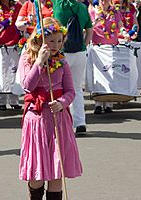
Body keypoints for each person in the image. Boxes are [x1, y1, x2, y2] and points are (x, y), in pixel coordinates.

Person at [18, 17, 82, 199]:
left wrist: (62, 102)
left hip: (58, 120)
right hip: (36, 120)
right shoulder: (27, 59)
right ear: (40, 40)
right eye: (51, 40)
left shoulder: (63, 62)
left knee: (56, 172)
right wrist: (39, 62)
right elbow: (27, 86)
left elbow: (71, 91)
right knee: (38, 173)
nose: (56, 45)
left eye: (59, 41)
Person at [53, 0, 93, 134]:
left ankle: (63, 123)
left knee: (59, 88)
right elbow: (89, 29)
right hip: (80, 52)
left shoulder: (59, 4)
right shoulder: (82, 7)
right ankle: (80, 122)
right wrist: (84, 46)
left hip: (63, 53)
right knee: (76, 88)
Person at [88, 0, 123, 114]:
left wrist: (126, 33)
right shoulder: (92, 10)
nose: (103, 2)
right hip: (98, 47)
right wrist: (95, 21)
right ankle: (98, 103)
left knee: (110, 74)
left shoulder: (115, 12)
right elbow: (88, 28)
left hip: (111, 46)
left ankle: (108, 103)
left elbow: (120, 26)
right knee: (98, 75)